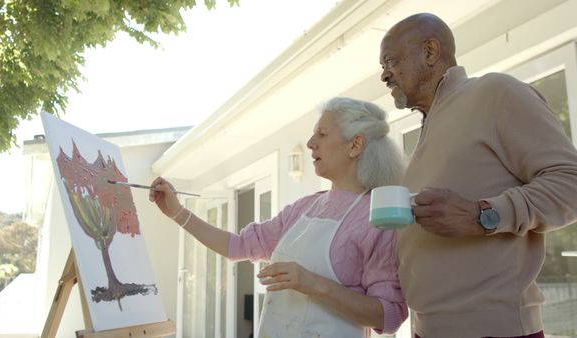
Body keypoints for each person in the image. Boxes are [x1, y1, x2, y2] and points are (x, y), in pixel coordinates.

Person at [379, 13, 577, 338]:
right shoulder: (429, 129)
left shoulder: (495, 92)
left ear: (430, 51)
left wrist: (480, 215)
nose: (384, 75)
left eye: (391, 61)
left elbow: (570, 183)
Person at [150, 97, 408, 337]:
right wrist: (178, 213)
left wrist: (312, 283)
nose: (310, 143)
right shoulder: (305, 207)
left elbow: (389, 316)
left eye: (322, 133)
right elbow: (238, 246)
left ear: (355, 145)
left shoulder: (377, 217)